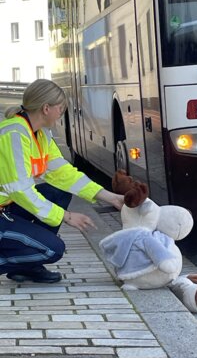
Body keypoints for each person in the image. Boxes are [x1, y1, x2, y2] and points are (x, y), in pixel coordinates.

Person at [0, 79, 124, 283]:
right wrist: (65, 216)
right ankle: (26, 260)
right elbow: (20, 190)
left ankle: (27, 267)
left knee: (59, 192)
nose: (62, 113)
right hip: (6, 207)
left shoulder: (40, 134)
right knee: (53, 250)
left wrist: (111, 198)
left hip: (8, 207)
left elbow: (64, 174)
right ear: (46, 108)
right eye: (61, 108)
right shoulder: (14, 133)